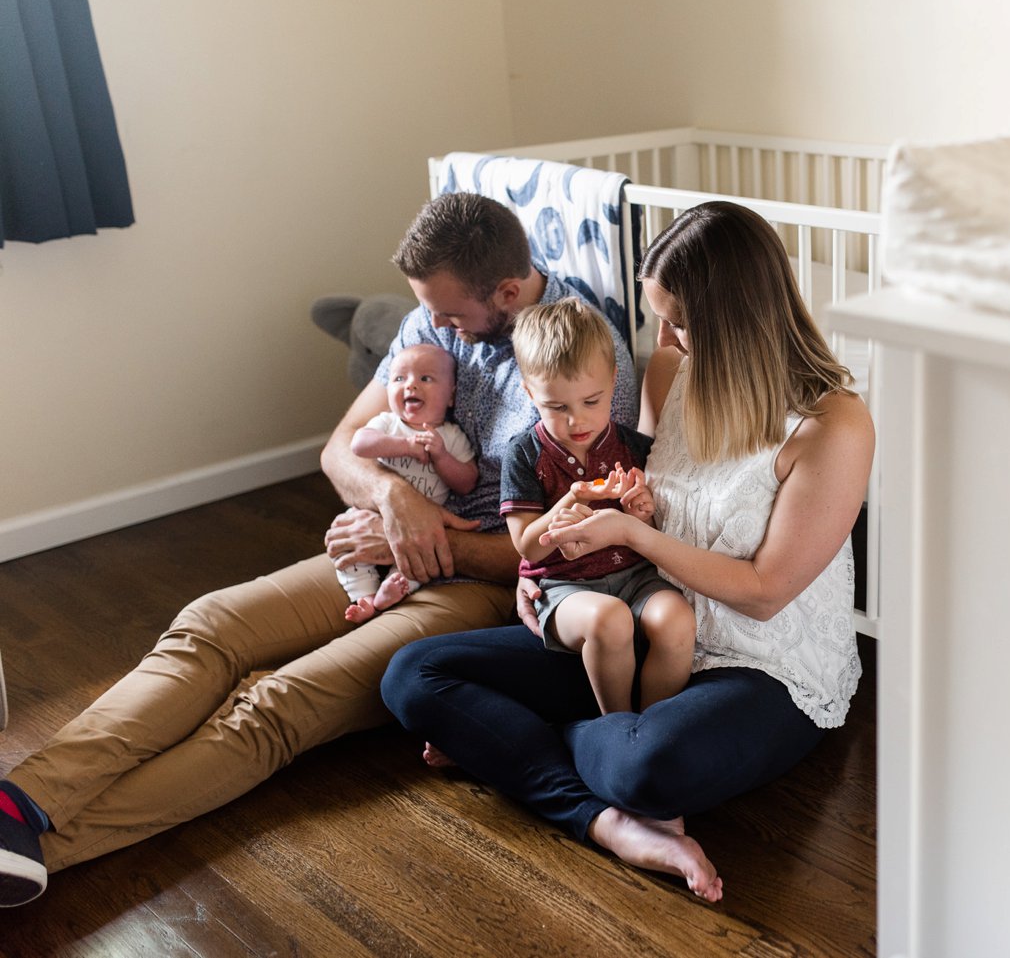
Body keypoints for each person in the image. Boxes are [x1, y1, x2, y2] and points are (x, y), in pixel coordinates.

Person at [0, 192, 636, 907]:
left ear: (509, 292)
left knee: (275, 704)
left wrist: (432, 538)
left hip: (489, 585)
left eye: (452, 314)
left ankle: (42, 852)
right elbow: (340, 449)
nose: (438, 326)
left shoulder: (582, 361)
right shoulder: (431, 318)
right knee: (210, 623)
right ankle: (17, 805)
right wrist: (397, 502)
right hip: (389, 549)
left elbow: (564, 552)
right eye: (432, 312)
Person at [381, 200, 874, 903]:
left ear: (733, 315)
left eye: (678, 318)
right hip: (641, 623)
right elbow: (624, 489)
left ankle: (535, 741)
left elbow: (766, 588)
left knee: (649, 765)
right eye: (659, 317)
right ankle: (606, 819)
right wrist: (540, 563)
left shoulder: (834, 423)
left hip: (761, 663)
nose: (664, 335)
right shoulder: (672, 372)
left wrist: (636, 535)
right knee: (412, 675)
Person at [501, 298, 695, 715]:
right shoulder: (523, 455)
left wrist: (643, 512)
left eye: (592, 401)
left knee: (677, 620)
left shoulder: (632, 447)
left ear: (613, 379)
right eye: (557, 407)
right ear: (529, 392)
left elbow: (653, 530)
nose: (577, 422)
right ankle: (619, 723)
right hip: (564, 588)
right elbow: (528, 548)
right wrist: (570, 500)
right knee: (609, 619)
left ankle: (653, 725)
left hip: (635, 575)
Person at [337, 343, 478, 624]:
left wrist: (440, 456)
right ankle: (363, 596)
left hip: (421, 531)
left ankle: (390, 592)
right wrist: (405, 446)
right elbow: (360, 443)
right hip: (373, 514)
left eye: (425, 378)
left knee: (420, 563)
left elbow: (466, 482)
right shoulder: (388, 423)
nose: (410, 386)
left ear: (451, 396)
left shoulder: (450, 436)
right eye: (399, 378)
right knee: (344, 541)